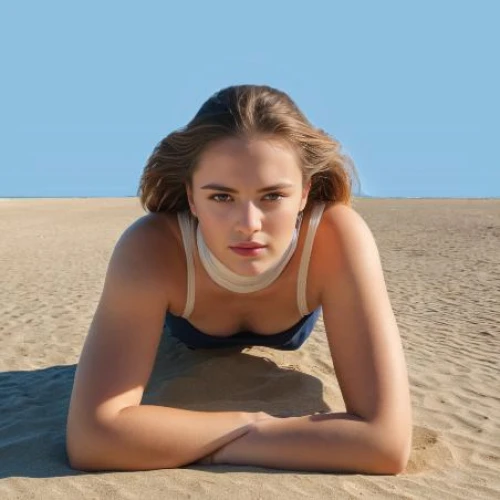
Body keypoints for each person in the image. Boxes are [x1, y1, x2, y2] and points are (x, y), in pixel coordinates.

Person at [66, 84, 412, 474]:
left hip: (291, 325)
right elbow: (91, 439)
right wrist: (249, 427)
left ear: (305, 193)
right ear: (192, 198)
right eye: (221, 197)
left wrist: (198, 445)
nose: (248, 225)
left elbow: (386, 444)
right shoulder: (151, 249)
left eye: (273, 196)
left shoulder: (334, 237)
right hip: (187, 332)